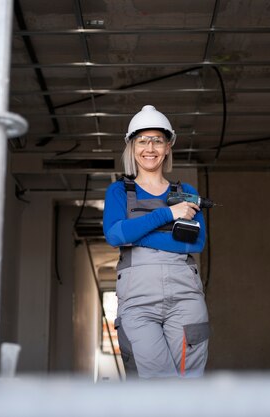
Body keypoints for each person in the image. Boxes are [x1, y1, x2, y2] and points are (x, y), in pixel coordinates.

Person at [103, 105, 210, 379]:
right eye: (142, 140)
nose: (149, 148)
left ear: (167, 147)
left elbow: (195, 243)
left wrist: (135, 234)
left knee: (188, 383)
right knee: (157, 383)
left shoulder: (186, 192)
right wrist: (168, 214)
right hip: (138, 302)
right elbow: (114, 236)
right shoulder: (118, 191)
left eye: (157, 140)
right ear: (132, 147)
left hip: (185, 297)